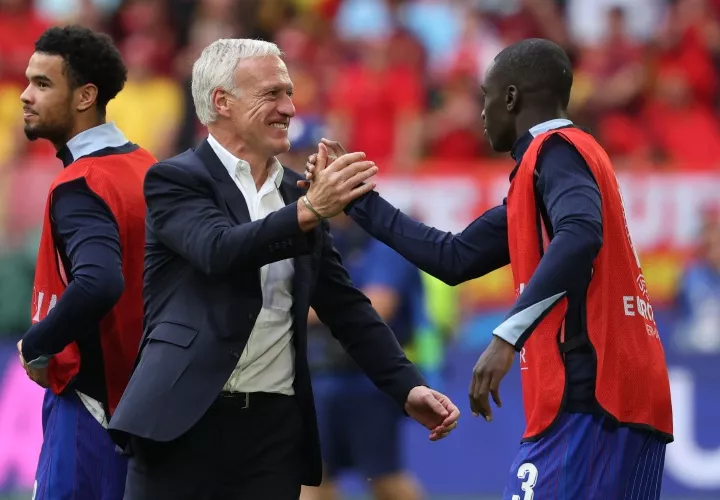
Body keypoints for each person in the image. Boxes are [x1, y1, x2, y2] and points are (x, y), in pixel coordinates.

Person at [304, 38, 673, 499]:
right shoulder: (554, 171)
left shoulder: (556, 149)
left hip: (589, 396)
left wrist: (506, 336)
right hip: (632, 398)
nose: (481, 113)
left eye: (486, 97)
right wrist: (358, 201)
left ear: (512, 98)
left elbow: (580, 234)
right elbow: (454, 257)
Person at [107, 38, 460, 500]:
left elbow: (344, 305)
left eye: (289, 93)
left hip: (272, 431)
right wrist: (311, 209)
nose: (290, 107)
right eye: (272, 94)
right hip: (182, 420)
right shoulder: (176, 179)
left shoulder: (298, 197)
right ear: (222, 102)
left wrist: (406, 386)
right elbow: (218, 250)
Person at [16, 26, 156, 500]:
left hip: (92, 411)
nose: (25, 95)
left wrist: (37, 343)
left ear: (85, 96)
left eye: (42, 83)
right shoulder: (148, 166)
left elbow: (99, 283)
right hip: (146, 414)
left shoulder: (82, 183)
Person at [301, 214, 425, 500]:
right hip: (319, 378)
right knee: (313, 478)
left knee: (385, 480)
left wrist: (298, 310)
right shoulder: (317, 236)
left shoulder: (382, 240)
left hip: (369, 381)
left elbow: (379, 304)